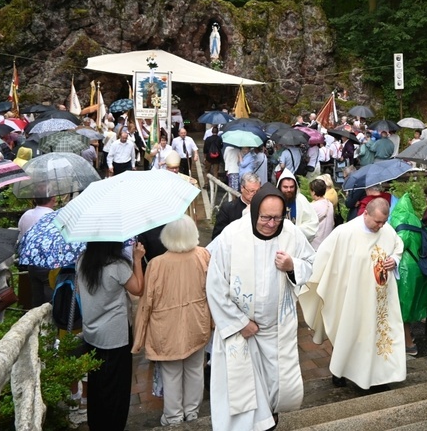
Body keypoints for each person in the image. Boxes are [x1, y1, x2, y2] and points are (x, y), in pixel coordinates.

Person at [206, 183, 315, 430]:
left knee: (274, 391)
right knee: (244, 396)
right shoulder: (232, 236)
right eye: (265, 217)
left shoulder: (291, 233)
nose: (271, 223)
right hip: (241, 332)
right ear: (255, 211)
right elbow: (215, 285)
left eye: (278, 217)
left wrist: (292, 266)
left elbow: (312, 263)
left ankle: (272, 423)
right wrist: (240, 323)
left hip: (276, 330)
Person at [301, 198, 406, 389]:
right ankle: (340, 370)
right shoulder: (345, 232)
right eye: (377, 222)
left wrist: (394, 260)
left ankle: (377, 377)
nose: (380, 226)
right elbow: (323, 257)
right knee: (349, 332)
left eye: (383, 222)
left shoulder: (386, 230)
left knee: (376, 334)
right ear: (365, 213)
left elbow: (398, 246)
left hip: (379, 299)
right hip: (352, 297)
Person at [132, 216, 211, 426]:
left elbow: (146, 302)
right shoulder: (203, 255)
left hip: (166, 327)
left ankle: (174, 416)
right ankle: (192, 412)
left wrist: (139, 336)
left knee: (171, 372)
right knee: (195, 368)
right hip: (197, 322)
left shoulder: (156, 264)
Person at [77, 240, 145, 431]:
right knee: (116, 386)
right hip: (115, 335)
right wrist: (137, 259)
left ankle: (97, 424)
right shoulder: (117, 265)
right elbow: (138, 288)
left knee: (97, 383)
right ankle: (113, 425)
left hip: (92, 332)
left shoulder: (82, 260)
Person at [390, 193, 427, 356]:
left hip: (404, 269)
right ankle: (408, 338)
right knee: (412, 305)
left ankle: (407, 342)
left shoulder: (399, 218)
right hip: (419, 267)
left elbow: (399, 244)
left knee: (401, 307)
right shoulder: (415, 219)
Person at [18, 196, 57, 308]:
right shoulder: (54, 216)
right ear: (53, 199)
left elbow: (21, 239)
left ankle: (36, 323)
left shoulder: (26, 216)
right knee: (49, 301)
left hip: (31, 262)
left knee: (37, 298)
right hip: (48, 263)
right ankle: (49, 323)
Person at [211, 172, 261, 239]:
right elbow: (217, 237)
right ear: (242, 188)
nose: (255, 194)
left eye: (257, 191)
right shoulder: (228, 209)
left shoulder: (263, 208)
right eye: (251, 191)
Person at [276, 168, 319, 242]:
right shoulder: (274, 200)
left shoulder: (301, 200)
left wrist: (294, 230)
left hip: (296, 241)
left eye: (291, 187)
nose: (289, 190)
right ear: (280, 187)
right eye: (285, 187)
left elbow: (312, 223)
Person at [309, 178, 334, 251]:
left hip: (315, 245)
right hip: (327, 243)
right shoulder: (330, 204)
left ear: (313, 192)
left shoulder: (312, 206)